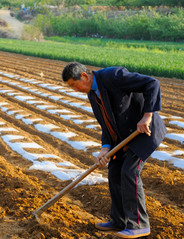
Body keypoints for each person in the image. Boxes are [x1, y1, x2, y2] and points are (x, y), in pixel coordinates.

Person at [62, 62, 166, 238]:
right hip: (124, 137)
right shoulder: (93, 95)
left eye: (74, 85)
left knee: (129, 172)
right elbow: (106, 124)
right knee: (115, 171)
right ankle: (119, 221)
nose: (75, 90)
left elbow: (152, 83)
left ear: (85, 77)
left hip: (144, 132)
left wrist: (147, 116)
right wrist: (105, 148)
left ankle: (139, 224)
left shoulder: (113, 76)